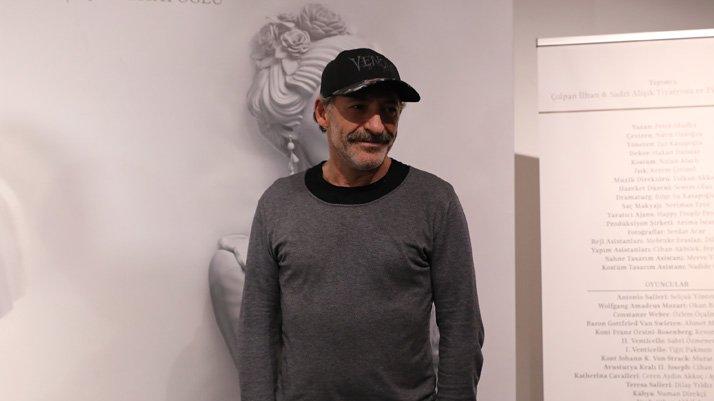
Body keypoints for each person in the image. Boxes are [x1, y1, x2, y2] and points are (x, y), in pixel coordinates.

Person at [237, 48, 484, 401]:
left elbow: (462, 326)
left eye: (389, 110)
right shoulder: (278, 202)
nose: (376, 126)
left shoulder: (434, 201)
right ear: (322, 113)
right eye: (358, 108)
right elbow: (257, 328)